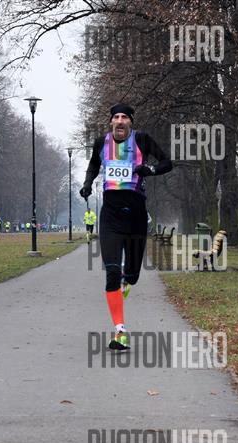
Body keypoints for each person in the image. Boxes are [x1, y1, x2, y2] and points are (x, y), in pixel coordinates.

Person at [79, 103, 172, 350]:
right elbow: (93, 165)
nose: (120, 121)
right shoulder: (101, 143)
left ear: (130, 122)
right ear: (111, 122)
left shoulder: (142, 140)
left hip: (136, 216)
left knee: (132, 275)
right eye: (116, 117)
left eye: (124, 117)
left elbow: (167, 163)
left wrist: (149, 169)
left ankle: (124, 286)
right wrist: (87, 184)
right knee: (112, 271)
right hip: (110, 216)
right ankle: (120, 331)